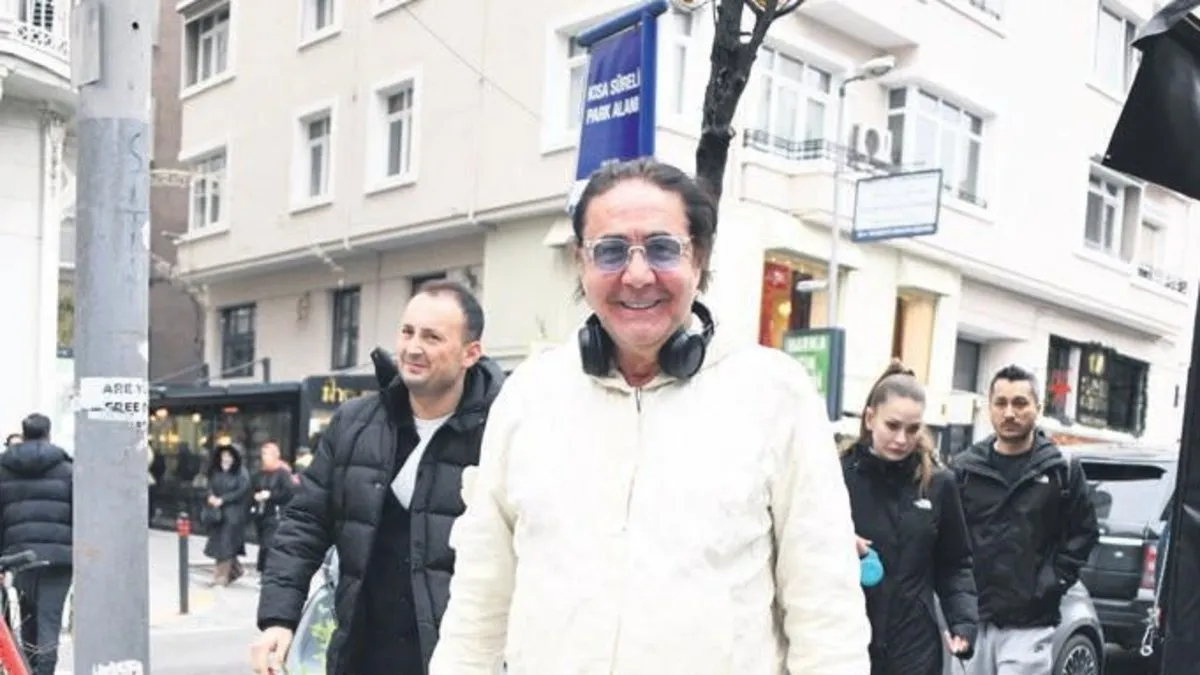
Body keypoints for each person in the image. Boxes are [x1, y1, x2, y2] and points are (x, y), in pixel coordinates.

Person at [429, 158, 870, 674]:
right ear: (581, 262)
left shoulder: (775, 394)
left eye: (662, 248)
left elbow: (826, 613)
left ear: (698, 258)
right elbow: (479, 602)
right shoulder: (529, 396)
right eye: (610, 251)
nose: (637, 276)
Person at [252, 280, 505, 675]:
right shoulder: (354, 423)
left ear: (470, 353)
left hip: (458, 661)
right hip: (360, 657)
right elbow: (305, 522)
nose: (413, 347)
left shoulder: (504, 432)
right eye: (407, 332)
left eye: (432, 337)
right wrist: (278, 619)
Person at [954, 365, 1099, 675]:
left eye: (1020, 403)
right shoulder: (964, 470)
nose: (1009, 413)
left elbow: (1083, 533)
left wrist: (1051, 583)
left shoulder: (1061, 470)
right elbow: (948, 539)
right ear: (989, 407)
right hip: (974, 619)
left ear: (1038, 408)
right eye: (1001, 403)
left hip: (1030, 622)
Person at [840, 361, 977, 675]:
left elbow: (955, 564)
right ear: (870, 418)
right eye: (892, 426)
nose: (902, 439)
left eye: (913, 429)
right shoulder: (837, 476)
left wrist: (962, 622)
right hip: (849, 641)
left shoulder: (938, 484)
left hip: (915, 647)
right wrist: (839, 541)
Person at [0, 414, 72, 675]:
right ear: (48, 434)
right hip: (58, 557)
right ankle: (44, 671)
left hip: (19, 556)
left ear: (24, 433)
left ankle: (28, 669)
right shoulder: (68, 469)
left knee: (27, 617)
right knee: (50, 620)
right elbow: (81, 514)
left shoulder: (4, 469)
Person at [202, 443, 251, 586]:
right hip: (217, 514)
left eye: (229, 456)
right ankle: (236, 570)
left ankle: (220, 578)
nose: (226, 458)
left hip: (233, 515)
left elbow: (242, 491)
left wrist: (223, 499)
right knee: (219, 545)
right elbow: (209, 486)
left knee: (226, 545)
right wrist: (210, 496)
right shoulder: (216, 471)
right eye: (224, 455)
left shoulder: (241, 473)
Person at [250, 441, 294, 576]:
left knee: (269, 543)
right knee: (263, 542)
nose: (264, 457)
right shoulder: (259, 474)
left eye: (268, 454)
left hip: (276, 513)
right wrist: (255, 496)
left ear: (276, 455)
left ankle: (268, 571)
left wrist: (270, 495)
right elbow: (252, 489)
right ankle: (264, 571)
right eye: (263, 454)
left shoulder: (283, 473)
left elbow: (289, 492)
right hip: (261, 513)